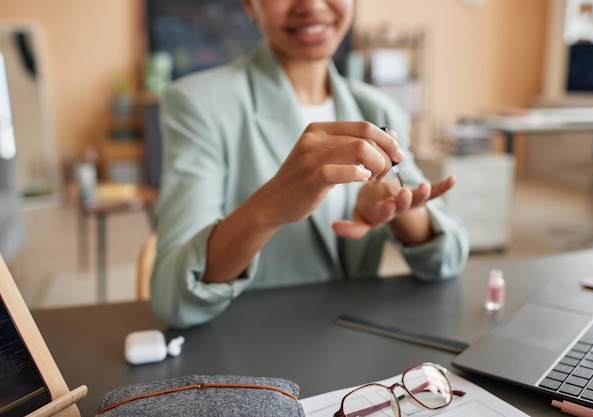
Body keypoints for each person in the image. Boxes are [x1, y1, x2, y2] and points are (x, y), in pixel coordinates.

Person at [151, 0, 469, 329]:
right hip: (250, 354)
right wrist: (267, 208)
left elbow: (447, 260)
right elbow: (173, 300)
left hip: (356, 355)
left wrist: (398, 208)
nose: (312, 5)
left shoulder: (378, 110)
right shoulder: (198, 104)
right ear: (249, 4)